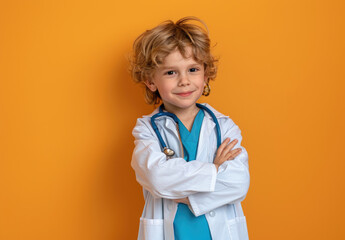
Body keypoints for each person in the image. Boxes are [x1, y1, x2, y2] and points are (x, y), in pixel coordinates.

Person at [129, 16, 250, 240]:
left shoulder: (224, 126)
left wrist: (180, 191)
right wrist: (214, 170)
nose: (184, 81)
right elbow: (157, 178)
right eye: (170, 72)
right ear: (150, 81)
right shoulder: (146, 130)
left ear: (205, 74)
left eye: (193, 69)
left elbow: (238, 183)